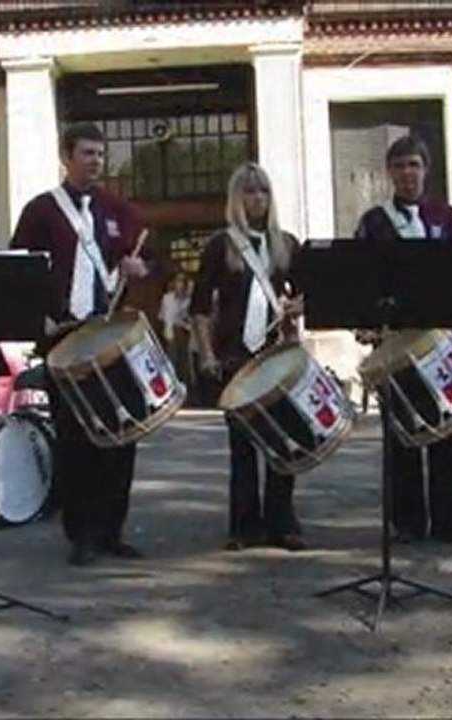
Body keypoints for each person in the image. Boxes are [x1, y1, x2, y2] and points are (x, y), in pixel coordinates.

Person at [10, 122, 152, 566]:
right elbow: (20, 269)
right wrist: (39, 316)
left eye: (99, 153)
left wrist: (140, 267)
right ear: (66, 156)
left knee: (121, 435)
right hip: (65, 338)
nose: (95, 160)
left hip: (111, 336)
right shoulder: (41, 212)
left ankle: (113, 530)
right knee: (76, 440)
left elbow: (153, 261)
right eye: (87, 152)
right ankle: (82, 535)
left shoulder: (119, 210)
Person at [354, 134, 452, 544]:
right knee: (402, 434)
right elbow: (361, 279)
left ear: (427, 170)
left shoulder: (449, 218)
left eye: (414, 165)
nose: (408, 173)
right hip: (396, 344)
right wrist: (366, 319)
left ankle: (450, 521)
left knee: (448, 429)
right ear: (389, 172)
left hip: (442, 342)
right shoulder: (374, 223)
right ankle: (407, 522)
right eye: (400, 165)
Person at [190, 162, 306, 551]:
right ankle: (243, 526)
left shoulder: (286, 244)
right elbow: (201, 306)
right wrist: (206, 353)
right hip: (235, 356)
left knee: (282, 441)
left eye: (263, 192)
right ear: (236, 199)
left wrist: (299, 307)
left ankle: (282, 522)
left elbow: (312, 293)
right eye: (249, 192)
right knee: (242, 447)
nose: (257, 199)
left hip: (279, 356)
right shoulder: (221, 246)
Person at [158, 273, 192, 391]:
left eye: (182, 282)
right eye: (178, 281)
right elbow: (163, 319)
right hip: (170, 332)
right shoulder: (167, 298)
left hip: (185, 333)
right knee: (171, 347)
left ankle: (186, 383)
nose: (180, 285)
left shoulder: (189, 300)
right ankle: (171, 384)